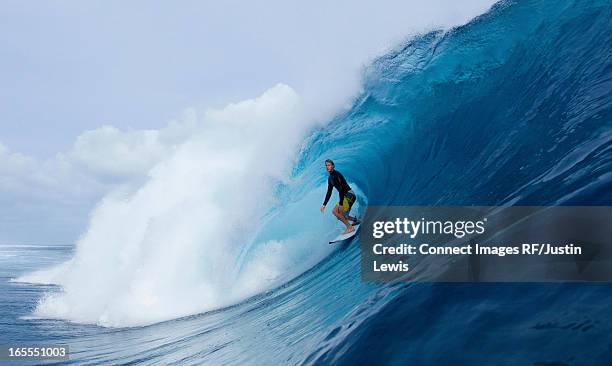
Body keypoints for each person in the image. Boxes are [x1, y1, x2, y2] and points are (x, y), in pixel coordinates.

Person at [320, 159, 360, 234]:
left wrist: (341, 204)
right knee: (340, 216)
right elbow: (329, 192)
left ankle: (350, 227)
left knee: (335, 211)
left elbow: (341, 190)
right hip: (346, 196)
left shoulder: (336, 175)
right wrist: (324, 204)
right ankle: (355, 220)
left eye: (329, 165)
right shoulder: (330, 178)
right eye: (326, 165)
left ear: (333, 166)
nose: (327, 167)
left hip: (349, 195)